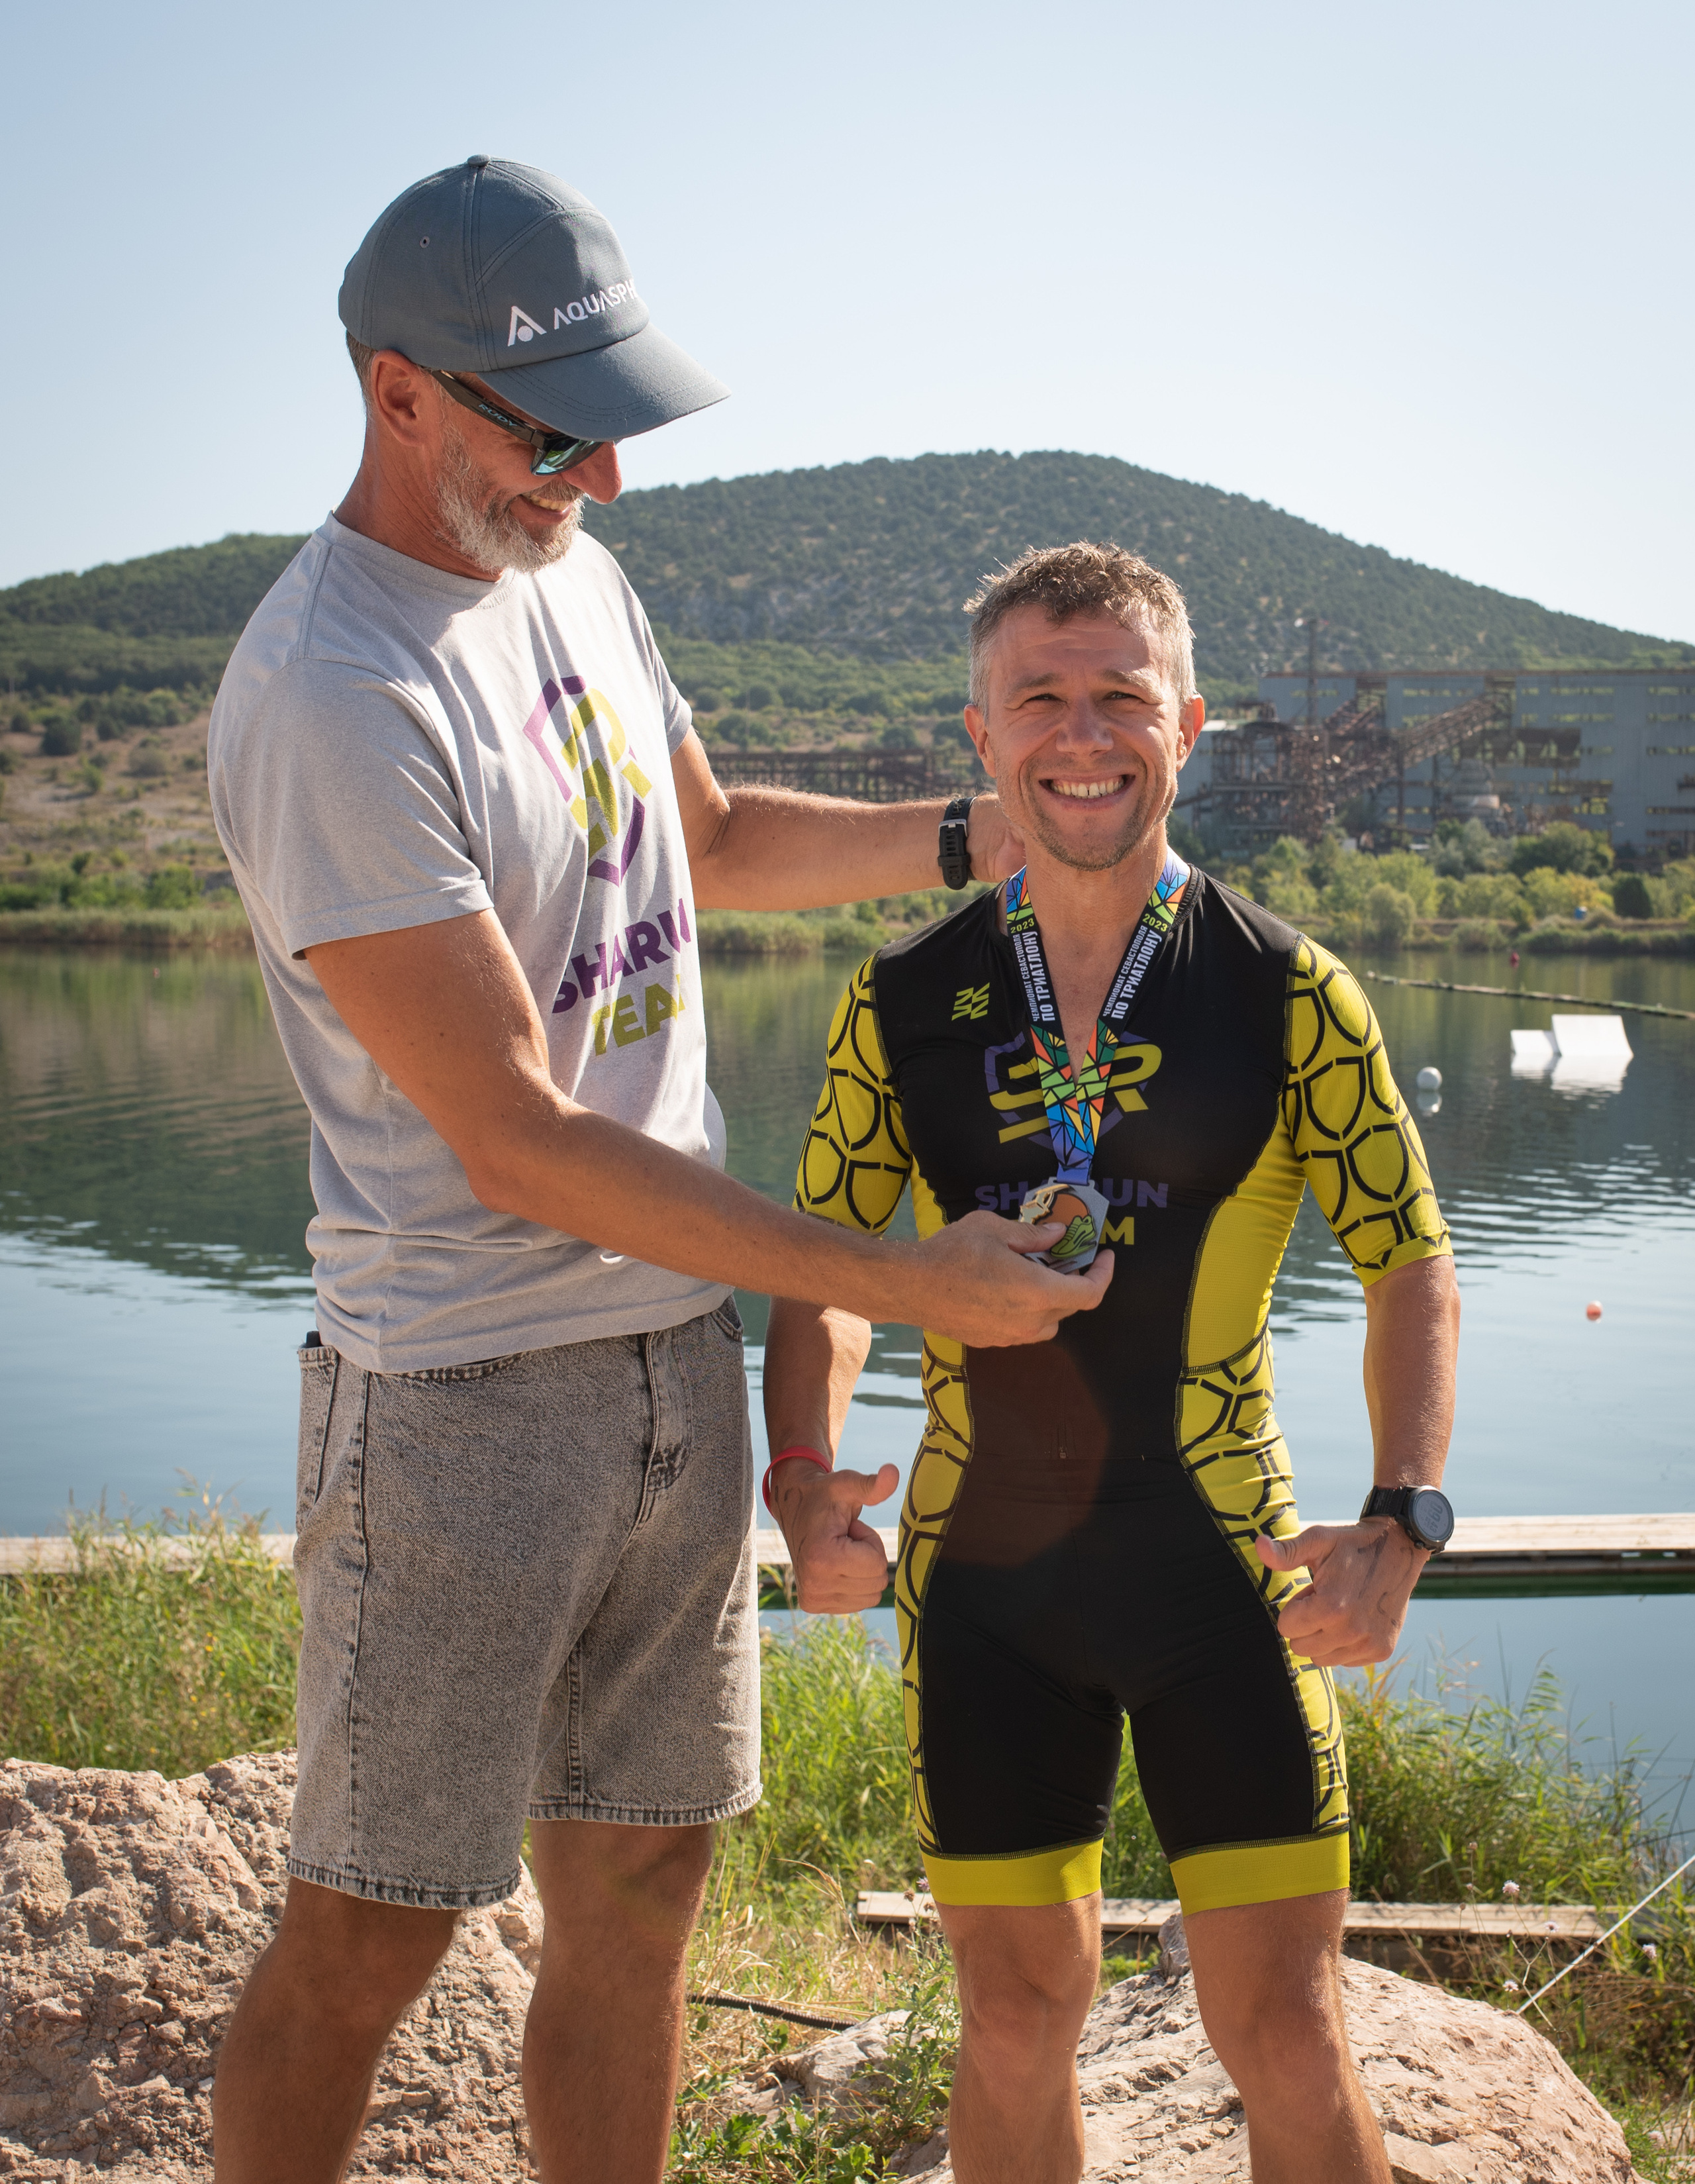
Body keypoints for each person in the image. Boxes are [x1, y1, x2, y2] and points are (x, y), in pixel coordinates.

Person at [205, 160, 1109, 2184]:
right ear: (398, 394)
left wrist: (984, 835)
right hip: (458, 1400)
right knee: (371, 1927)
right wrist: (894, 1277)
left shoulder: (568, 572)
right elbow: (518, 1137)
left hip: (669, 1375)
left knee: (641, 1897)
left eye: (615, 419)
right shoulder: (332, 690)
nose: (598, 476)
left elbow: (703, 844)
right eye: (554, 427)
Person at [763, 543, 1460, 2184]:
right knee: (1013, 2019)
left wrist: (1400, 1514)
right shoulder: (899, 1002)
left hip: (1228, 1564)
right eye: (1040, 699)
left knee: (1281, 2027)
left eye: (1119, 697)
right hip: (981, 1583)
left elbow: (1409, 1260)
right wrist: (802, 1482)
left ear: (1189, 721)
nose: (1082, 735)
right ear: (982, 732)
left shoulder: (1290, 992)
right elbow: (821, 1278)